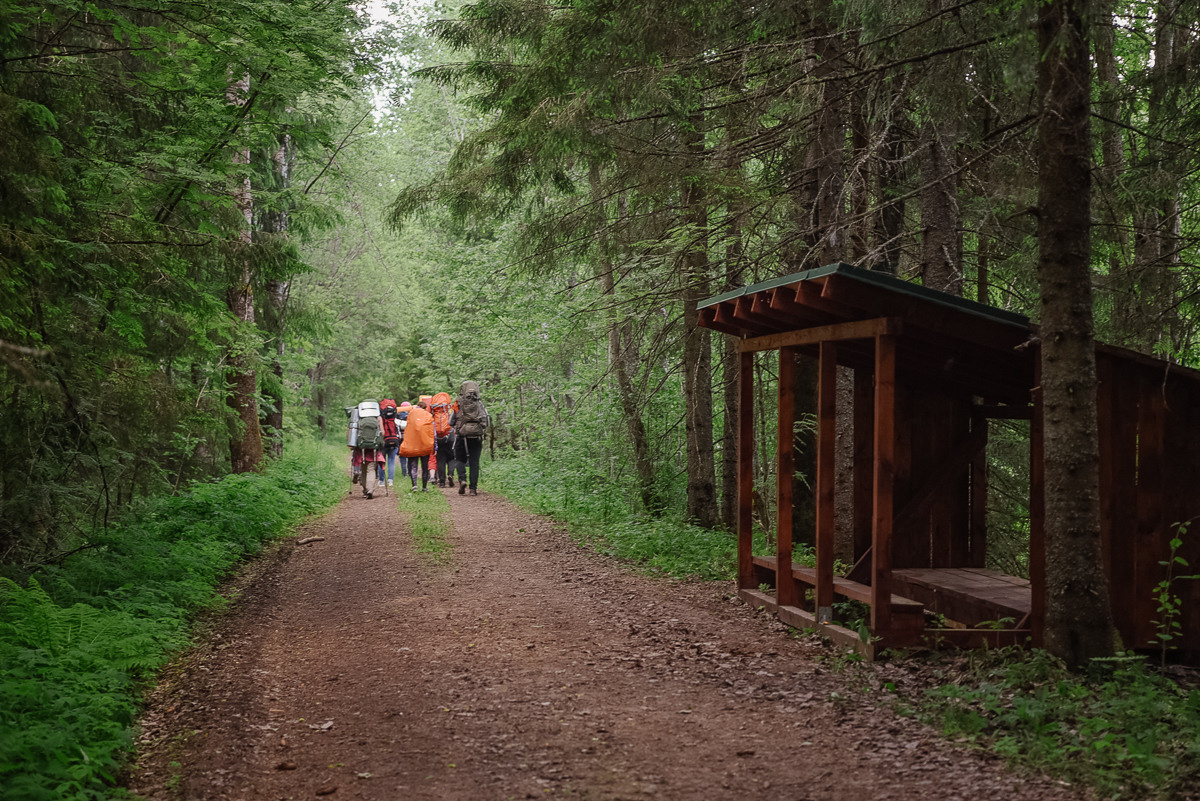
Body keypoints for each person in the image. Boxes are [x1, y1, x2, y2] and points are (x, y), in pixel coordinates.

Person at [450, 380, 488, 496]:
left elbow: (450, 421)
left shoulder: (458, 402)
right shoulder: (479, 403)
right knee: (474, 462)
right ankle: (473, 489)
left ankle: (462, 480)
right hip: (476, 436)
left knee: (459, 459)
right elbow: (487, 421)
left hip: (461, 435)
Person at [349, 399, 386, 499]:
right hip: (374, 448)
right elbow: (383, 432)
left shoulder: (359, 417)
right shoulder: (378, 418)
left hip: (361, 448)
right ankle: (370, 489)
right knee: (371, 469)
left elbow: (352, 433)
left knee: (363, 468)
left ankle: (365, 490)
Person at [398, 400, 436, 491]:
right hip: (425, 444)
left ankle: (414, 485)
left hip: (412, 445)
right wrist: (435, 446)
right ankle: (424, 487)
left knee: (413, 466)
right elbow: (433, 432)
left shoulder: (410, 415)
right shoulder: (428, 416)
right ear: (425, 408)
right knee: (424, 466)